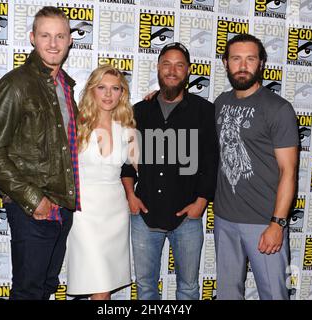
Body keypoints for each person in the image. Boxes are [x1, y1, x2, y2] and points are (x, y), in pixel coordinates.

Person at [0, 6, 80, 300]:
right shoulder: (15, 84)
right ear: (32, 38)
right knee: (28, 292)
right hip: (31, 208)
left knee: (46, 287)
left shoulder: (65, 85)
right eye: (45, 35)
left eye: (60, 36)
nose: (53, 43)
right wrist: (35, 200)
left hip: (61, 207)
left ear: (70, 41)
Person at [121, 42, 218, 300]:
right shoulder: (140, 111)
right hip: (145, 216)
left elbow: (211, 162)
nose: (172, 70)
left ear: (188, 71)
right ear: (158, 68)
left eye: (179, 65)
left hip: (187, 218)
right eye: (166, 64)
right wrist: (131, 195)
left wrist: (200, 202)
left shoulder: (205, 111)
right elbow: (128, 161)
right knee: (145, 287)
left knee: (188, 288)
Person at [213, 34, 299, 300]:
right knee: (228, 294)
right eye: (236, 59)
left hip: (263, 222)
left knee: (273, 294)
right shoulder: (219, 103)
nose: (243, 65)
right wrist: (160, 95)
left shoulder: (278, 109)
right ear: (226, 63)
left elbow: (289, 171)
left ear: (261, 63)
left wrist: (277, 223)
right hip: (224, 219)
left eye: (250, 59)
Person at [66, 65, 137, 300]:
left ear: (122, 94)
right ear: (92, 91)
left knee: (103, 286)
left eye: (115, 88)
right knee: (97, 279)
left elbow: (146, 168)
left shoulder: (127, 130)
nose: (108, 94)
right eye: (102, 88)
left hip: (115, 212)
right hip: (84, 212)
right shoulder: (75, 125)